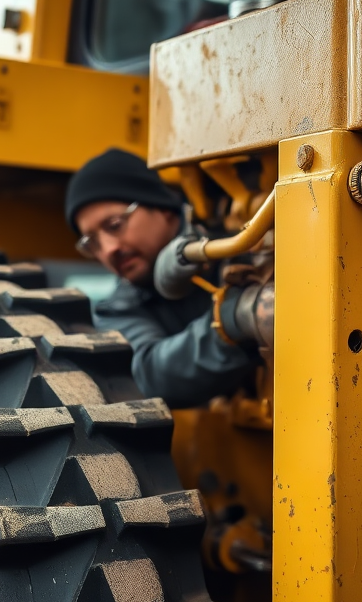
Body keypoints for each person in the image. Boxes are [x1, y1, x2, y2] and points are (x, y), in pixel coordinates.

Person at [65, 148, 256, 408]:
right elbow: (149, 373)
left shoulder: (241, 242)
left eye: (114, 225)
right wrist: (235, 317)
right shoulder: (118, 310)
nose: (108, 249)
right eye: (92, 243)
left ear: (162, 208)